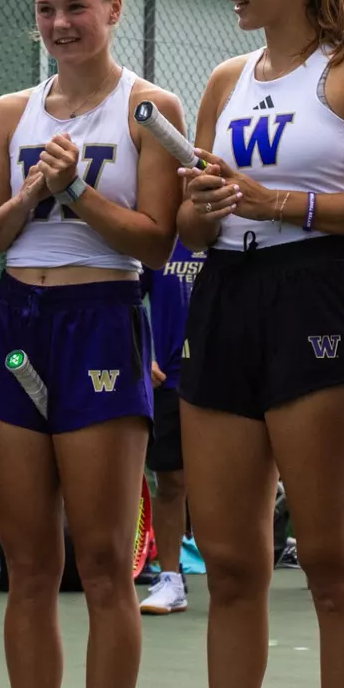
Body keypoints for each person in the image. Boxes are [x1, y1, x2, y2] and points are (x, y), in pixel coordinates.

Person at [177, 0, 344, 688]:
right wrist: (202, 205)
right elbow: (191, 227)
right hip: (223, 295)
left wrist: (281, 202)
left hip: (316, 290)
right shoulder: (225, 80)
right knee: (231, 566)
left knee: (334, 564)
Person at [0, 0, 185, 688]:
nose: (60, 23)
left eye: (76, 8)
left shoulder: (148, 107)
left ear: (113, 10)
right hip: (18, 331)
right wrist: (30, 194)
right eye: (46, 10)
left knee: (102, 565)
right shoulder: (9, 113)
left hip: (102, 324)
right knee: (29, 566)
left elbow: (158, 243)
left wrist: (78, 191)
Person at [139, 236, 205, 616]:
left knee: (225, 485)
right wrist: (144, 354)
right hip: (169, 380)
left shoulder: (228, 235)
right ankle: (171, 580)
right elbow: (129, 298)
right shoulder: (160, 239)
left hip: (221, 378)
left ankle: (236, 574)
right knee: (171, 483)